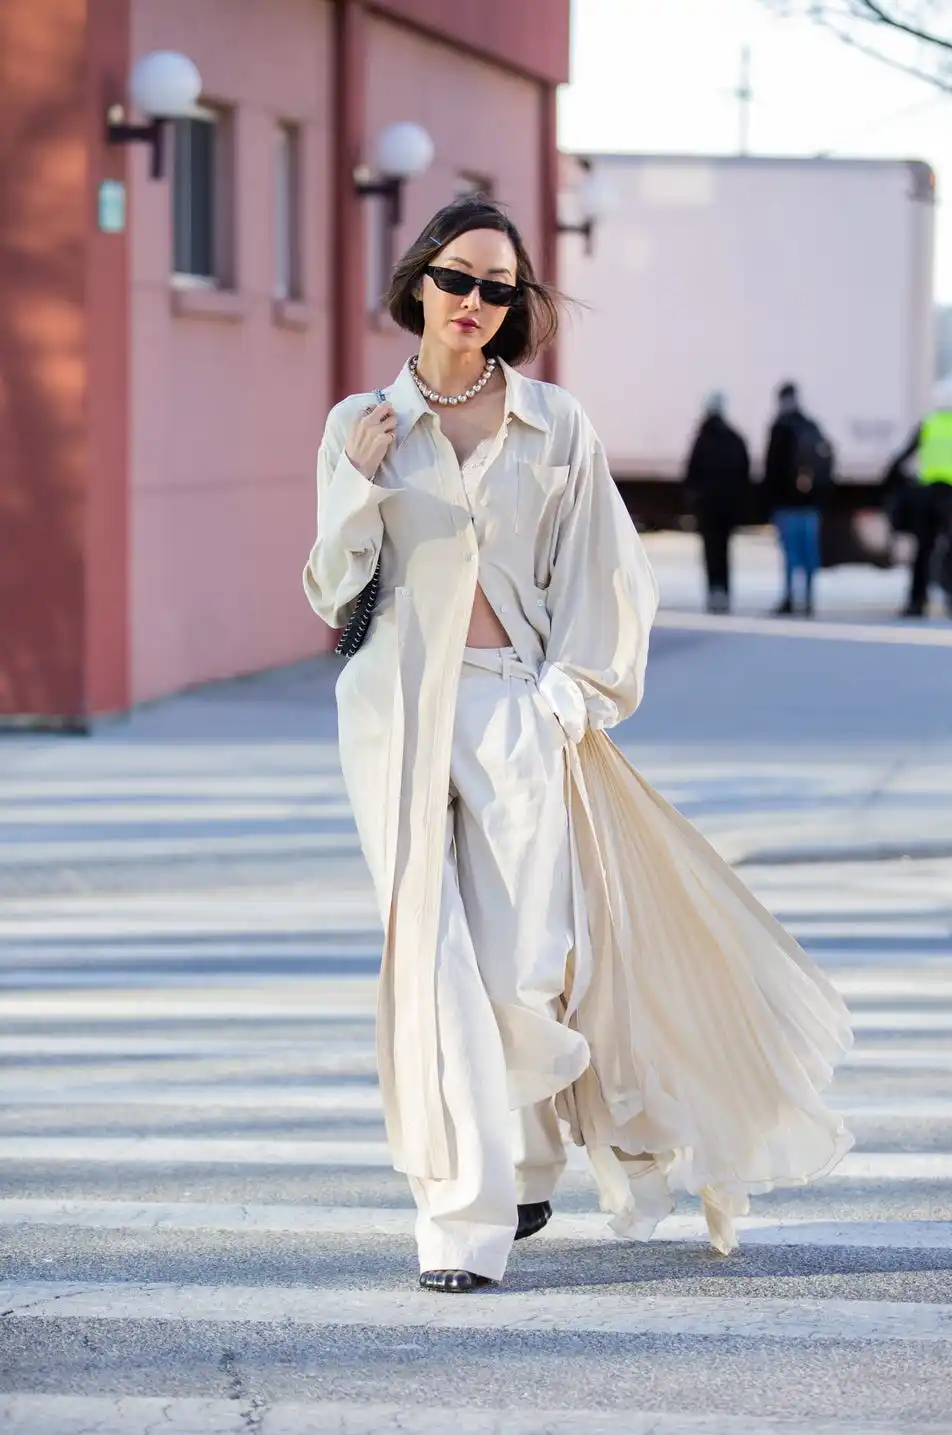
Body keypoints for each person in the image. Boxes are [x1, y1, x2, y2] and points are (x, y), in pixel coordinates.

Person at [303, 196, 853, 1295]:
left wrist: (572, 695)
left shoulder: (556, 423)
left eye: (497, 288)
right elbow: (329, 589)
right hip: (394, 715)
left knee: (524, 963)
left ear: (517, 306)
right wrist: (358, 484)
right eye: (456, 279)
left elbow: (607, 572)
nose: (472, 302)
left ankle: (534, 1151)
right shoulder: (361, 422)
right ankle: (462, 1223)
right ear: (417, 282)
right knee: (434, 964)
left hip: (516, 703)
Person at [884, 375, 952, 618]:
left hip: (928, 497)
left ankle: (916, 602)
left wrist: (896, 485)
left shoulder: (929, 424)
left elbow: (901, 458)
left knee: (924, 550)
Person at [762, 381, 834, 618]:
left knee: (791, 554)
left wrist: (767, 500)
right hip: (810, 504)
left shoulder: (780, 427)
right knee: (809, 553)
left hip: (787, 503)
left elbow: (771, 467)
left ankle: (791, 597)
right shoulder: (810, 425)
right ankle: (809, 598)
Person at [683, 392, 751, 614]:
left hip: (708, 508)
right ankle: (726, 593)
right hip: (728, 507)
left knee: (710, 551)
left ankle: (714, 592)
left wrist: (694, 500)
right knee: (724, 550)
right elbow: (744, 473)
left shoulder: (702, 439)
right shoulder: (735, 438)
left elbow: (691, 473)